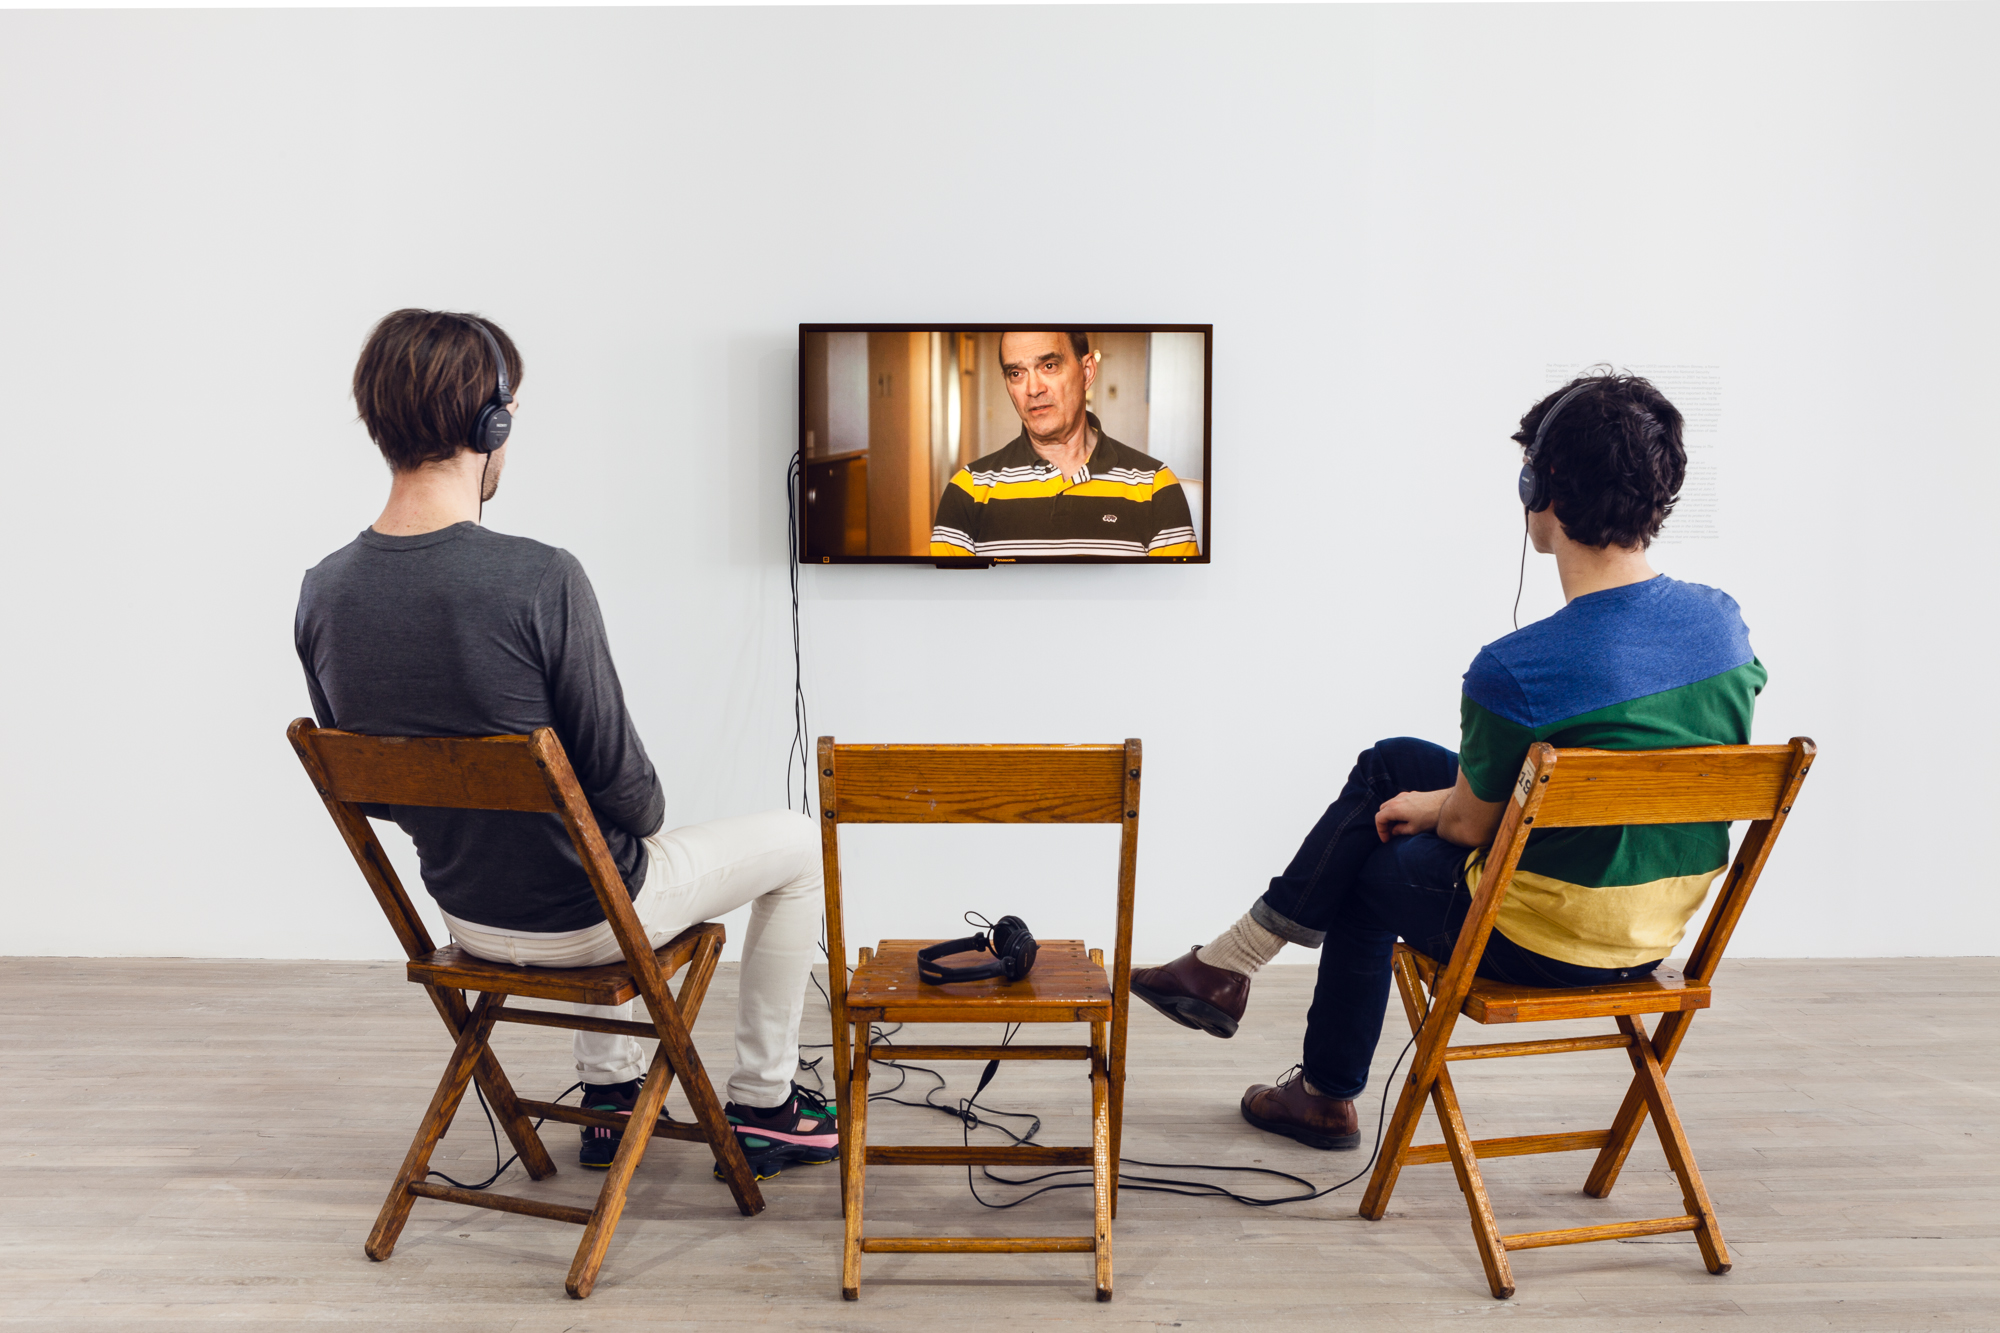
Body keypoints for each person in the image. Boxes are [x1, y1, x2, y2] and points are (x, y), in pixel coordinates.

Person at [1129, 373, 1765, 1150]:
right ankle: (1231, 965)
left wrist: (1433, 809)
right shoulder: (1724, 627)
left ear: (1541, 485)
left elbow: (1467, 826)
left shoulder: (1516, 669)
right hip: (1651, 933)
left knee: (1369, 858)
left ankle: (1316, 1084)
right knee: (1392, 763)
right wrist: (1433, 798)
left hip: (1541, 940)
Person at [295, 309, 836, 1178]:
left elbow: (381, 797)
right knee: (794, 842)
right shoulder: (540, 578)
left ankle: (612, 1096)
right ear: (491, 422)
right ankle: (769, 1103)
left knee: (591, 845)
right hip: (588, 924)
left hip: (466, 924)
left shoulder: (323, 591)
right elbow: (634, 798)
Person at [929, 331, 1200, 558]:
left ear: (1087, 371)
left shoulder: (1155, 485)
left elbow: (1177, 608)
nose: (1033, 389)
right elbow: (950, 611)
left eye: (1049, 366)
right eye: (1016, 373)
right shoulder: (966, 490)